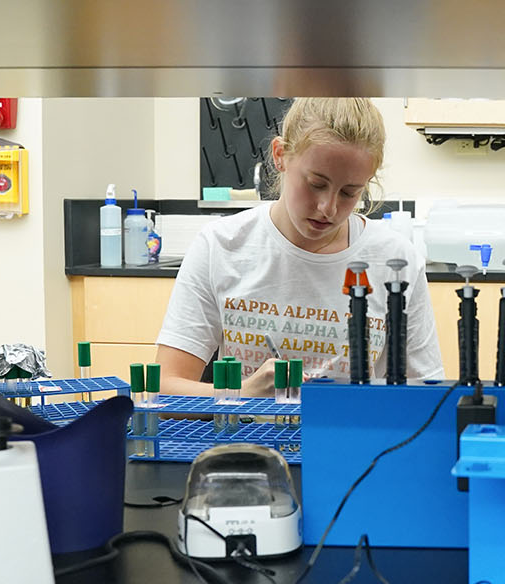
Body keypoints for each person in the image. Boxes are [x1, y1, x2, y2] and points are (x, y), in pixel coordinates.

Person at [156, 98, 444, 396]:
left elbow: (425, 397)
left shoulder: (395, 261)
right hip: (249, 440)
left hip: (352, 440)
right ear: (280, 155)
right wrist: (243, 393)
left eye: (349, 192)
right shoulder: (221, 245)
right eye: (316, 184)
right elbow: (164, 386)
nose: (328, 208)